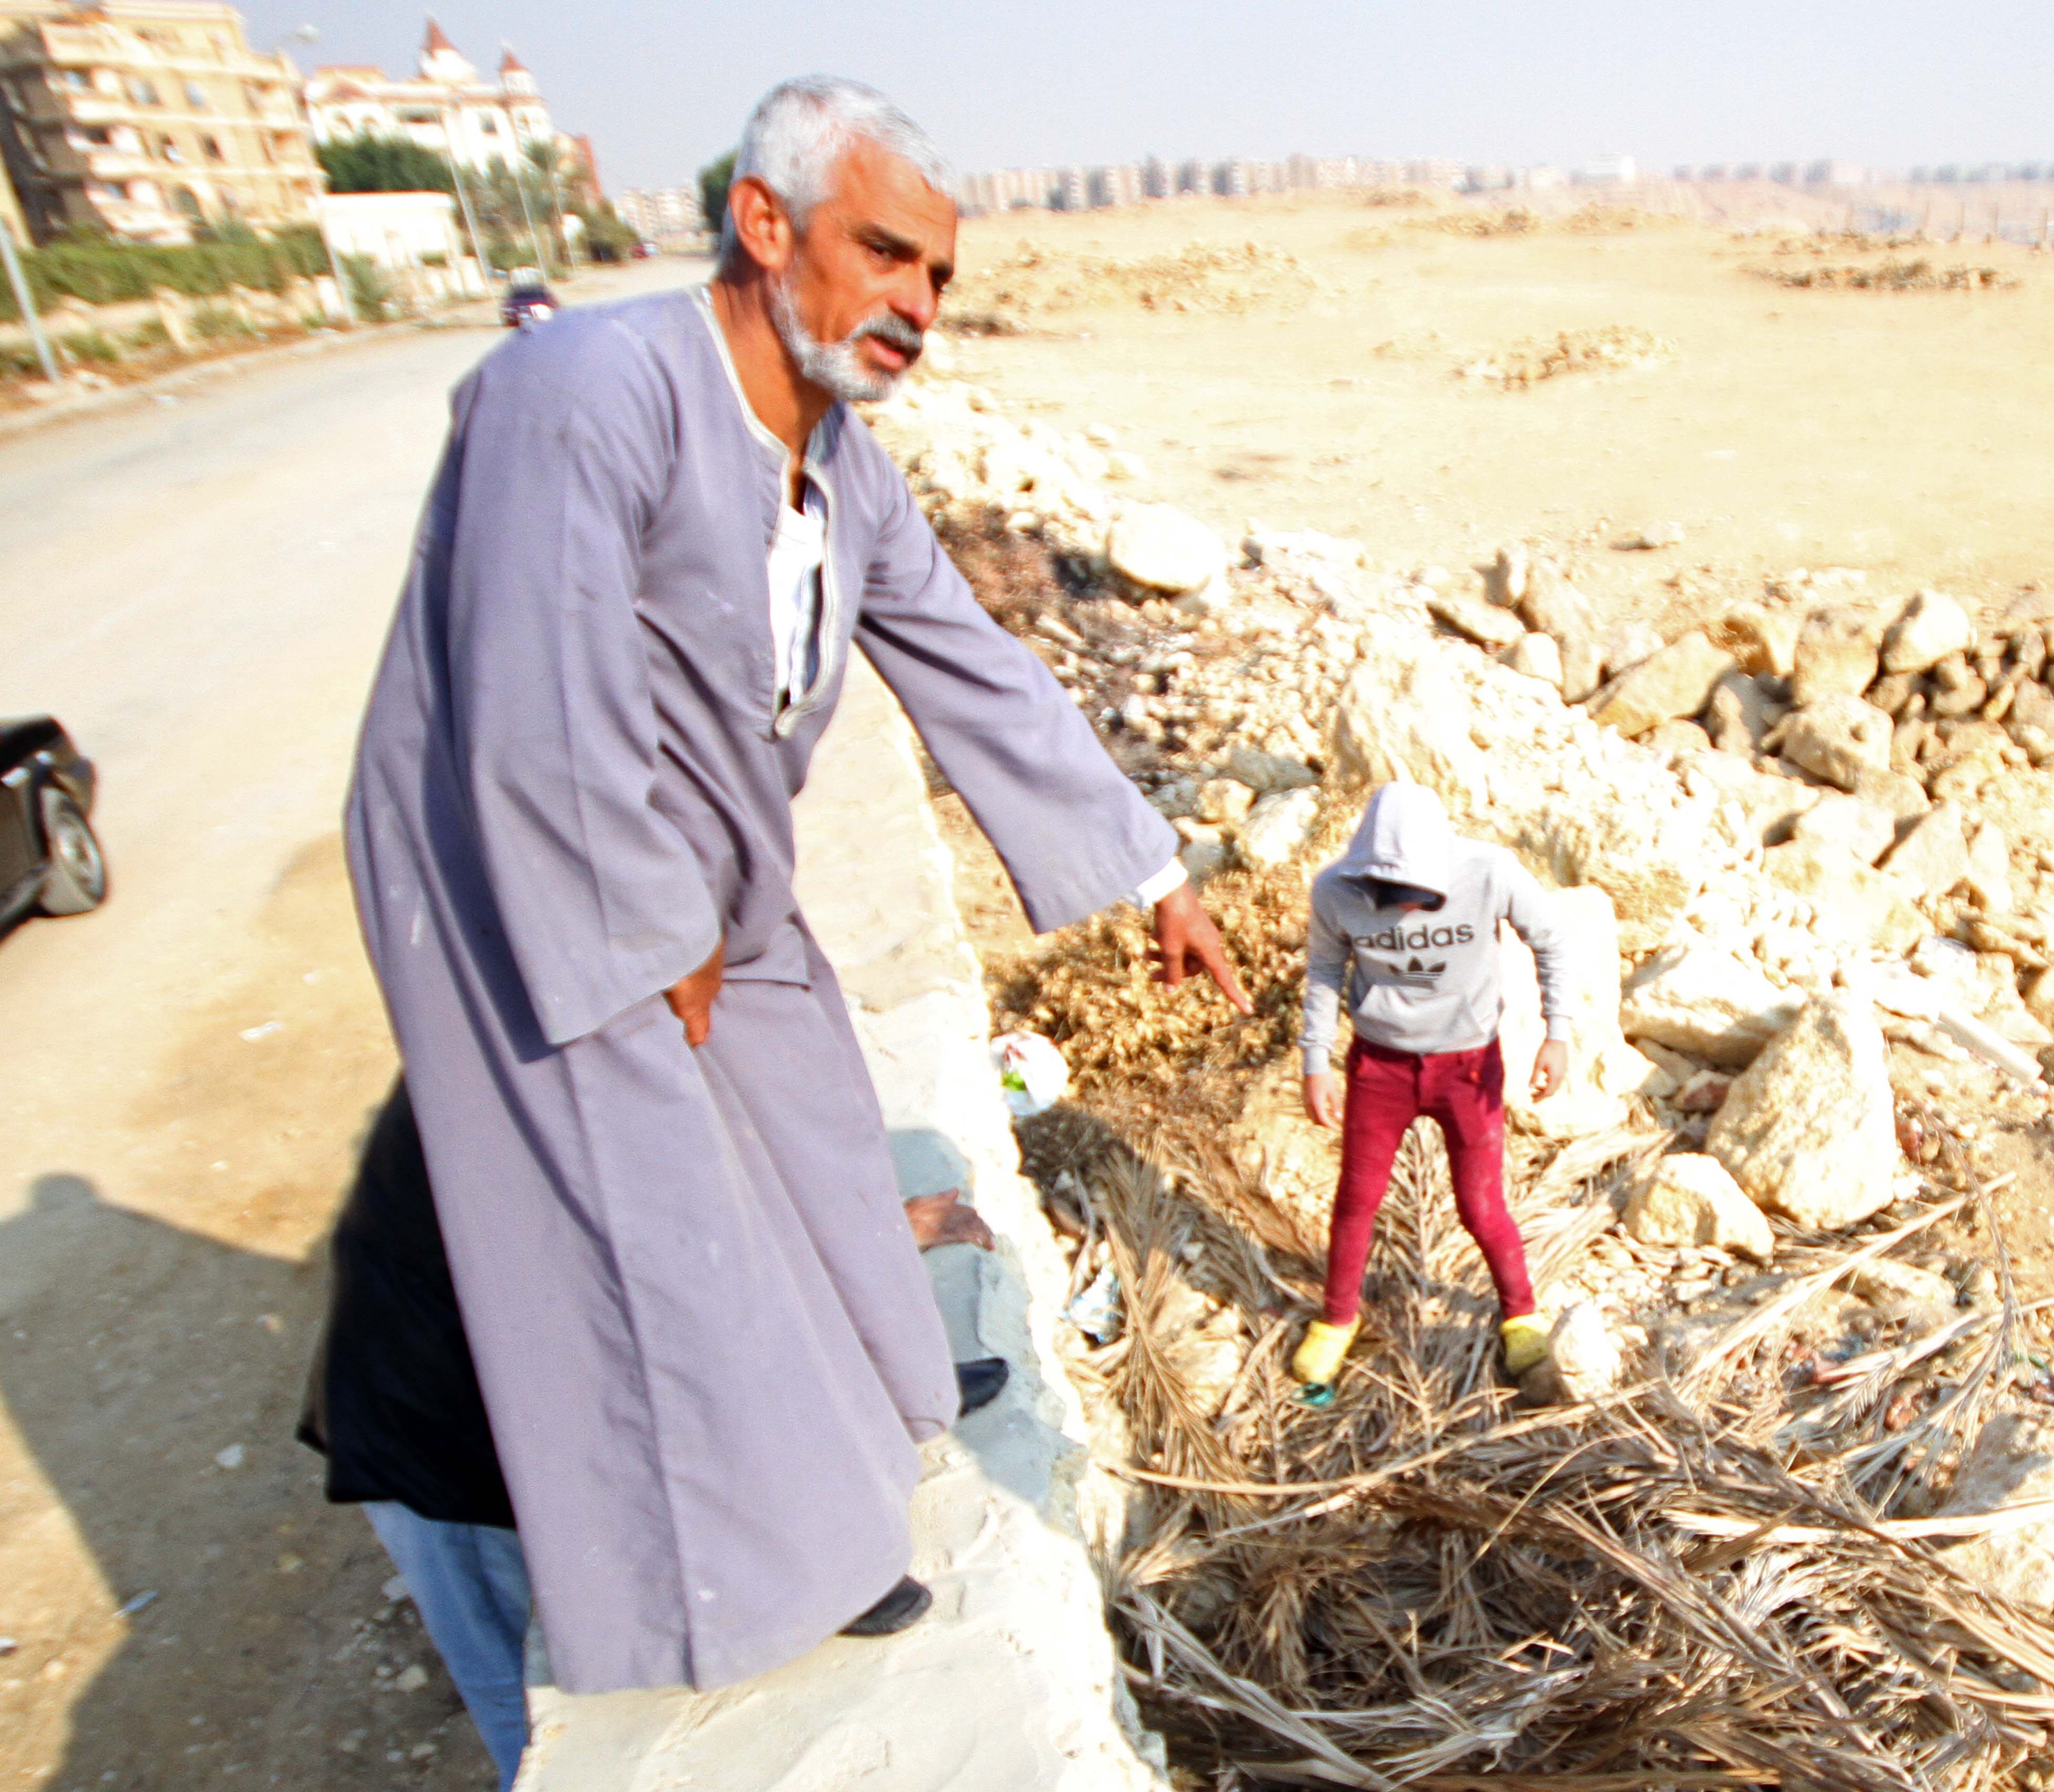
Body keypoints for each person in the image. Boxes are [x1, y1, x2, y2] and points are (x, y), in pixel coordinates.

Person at [342, 75, 1249, 1697]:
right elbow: (535, 691)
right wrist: (647, 928)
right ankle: (769, 1574)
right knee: (659, 1211)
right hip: (536, 873)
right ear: (767, 227)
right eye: (888, 256)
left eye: (939, 280)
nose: (915, 305)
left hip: (700, 869)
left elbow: (969, 664)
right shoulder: (584, 388)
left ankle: (887, 1387)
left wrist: (1150, 871)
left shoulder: (841, 468)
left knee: (815, 1115)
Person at [295, 1083, 1005, 1792]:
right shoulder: (592, 1073)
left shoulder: (619, 1030)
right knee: (542, 1735)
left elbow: (743, 1205)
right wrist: (824, 1554)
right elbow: (692, 1326)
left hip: (534, 1379)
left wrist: (875, 1261)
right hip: (441, 1443)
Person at [1292, 782, 1576, 1394]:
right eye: (1392, 895)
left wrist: (1559, 1032)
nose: (1408, 908)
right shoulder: (1335, 890)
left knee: (1481, 1205)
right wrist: (1315, 1059)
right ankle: (1339, 1318)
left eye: (1421, 894)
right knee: (1356, 1200)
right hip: (1380, 1068)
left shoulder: (1489, 871)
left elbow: (1551, 938)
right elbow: (1322, 971)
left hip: (1468, 1068)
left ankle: (1521, 1313)